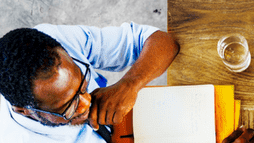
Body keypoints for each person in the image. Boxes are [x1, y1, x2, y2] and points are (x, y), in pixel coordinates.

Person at [0, 23, 179, 142]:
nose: (86, 102)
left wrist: (129, 84)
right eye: (68, 105)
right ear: (24, 111)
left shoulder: (51, 44)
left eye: (82, 85)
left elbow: (162, 41)